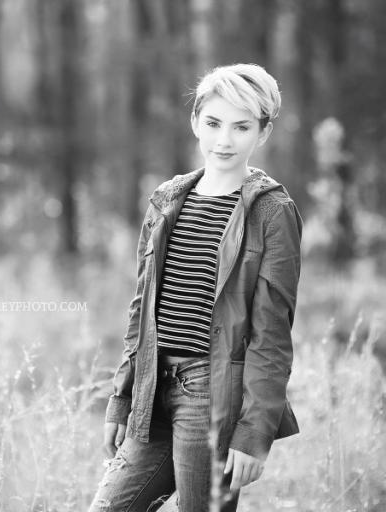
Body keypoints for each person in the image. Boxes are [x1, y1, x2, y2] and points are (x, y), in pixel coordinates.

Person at [88, 63, 303, 512]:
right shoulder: (167, 199)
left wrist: (254, 431)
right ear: (195, 123)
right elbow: (140, 312)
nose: (224, 140)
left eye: (241, 127)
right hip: (153, 387)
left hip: (212, 393)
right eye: (213, 123)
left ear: (262, 133)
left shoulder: (272, 212)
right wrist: (121, 397)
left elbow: (272, 335)